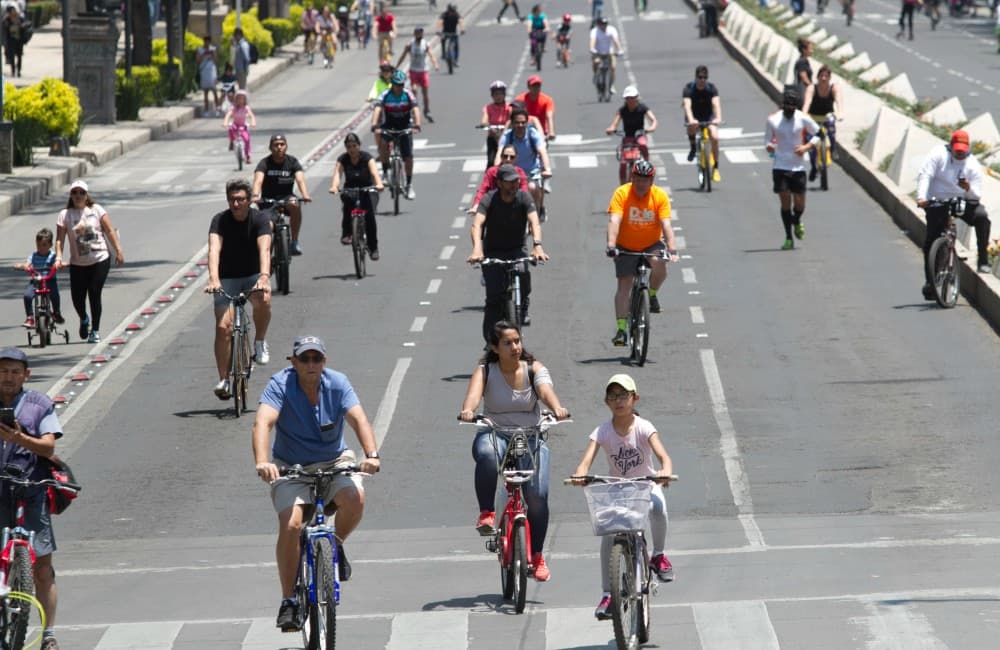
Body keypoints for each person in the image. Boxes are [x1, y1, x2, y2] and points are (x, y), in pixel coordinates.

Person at [252, 335, 381, 631]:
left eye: (317, 359)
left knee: (355, 497)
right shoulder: (280, 385)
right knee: (293, 523)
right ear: (293, 362)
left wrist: (371, 455)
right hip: (291, 466)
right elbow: (263, 422)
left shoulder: (337, 383)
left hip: (334, 460)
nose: (311, 365)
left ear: (324, 361)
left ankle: (334, 545)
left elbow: (359, 419)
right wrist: (263, 462)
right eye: (305, 359)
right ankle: (289, 601)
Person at [458, 321, 570, 582]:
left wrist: (557, 408)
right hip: (495, 433)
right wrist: (469, 411)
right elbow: (473, 396)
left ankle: (538, 556)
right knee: (485, 455)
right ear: (494, 348)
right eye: (508, 343)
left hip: (531, 436)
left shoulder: (534, 368)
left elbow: (545, 390)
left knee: (537, 496)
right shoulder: (486, 371)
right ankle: (487, 513)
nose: (515, 347)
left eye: (517, 341)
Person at [570, 373, 675, 620]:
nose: (618, 401)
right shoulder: (602, 431)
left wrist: (665, 472)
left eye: (623, 395)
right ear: (606, 402)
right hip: (618, 489)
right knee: (608, 532)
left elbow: (664, 457)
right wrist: (579, 474)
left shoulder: (644, 427)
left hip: (646, 484)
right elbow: (585, 462)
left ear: (635, 398)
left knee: (658, 508)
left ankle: (658, 555)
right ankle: (608, 594)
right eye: (612, 396)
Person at [0, 347, 67, 650]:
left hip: (31, 489)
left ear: (26, 375)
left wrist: (19, 439)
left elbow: (49, 448)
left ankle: (49, 634)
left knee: (42, 567)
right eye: (3, 371)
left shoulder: (40, 404)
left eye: (15, 371)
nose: (8, 377)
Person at [205, 179, 272, 398]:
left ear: (249, 200)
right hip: (227, 278)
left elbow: (265, 249)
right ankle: (224, 379)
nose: (236, 204)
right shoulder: (220, 220)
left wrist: (264, 277)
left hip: (253, 275)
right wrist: (214, 278)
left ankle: (260, 342)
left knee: (263, 298)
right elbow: (214, 250)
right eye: (232, 200)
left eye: (241, 199)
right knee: (223, 327)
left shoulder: (260, 219)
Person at [467, 164, 548, 334]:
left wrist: (537, 245)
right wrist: (477, 249)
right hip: (493, 252)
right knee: (494, 299)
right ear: (500, 183)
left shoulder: (524, 197)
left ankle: (523, 303)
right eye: (510, 182)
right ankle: (490, 342)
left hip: (517, 248)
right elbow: (477, 225)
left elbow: (534, 222)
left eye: (516, 181)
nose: (514, 185)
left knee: (524, 275)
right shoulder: (489, 199)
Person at [606, 160, 679, 345]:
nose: (641, 184)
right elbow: (614, 220)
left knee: (660, 263)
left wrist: (672, 249)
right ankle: (621, 330)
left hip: (651, 244)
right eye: (638, 179)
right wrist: (611, 245)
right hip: (625, 246)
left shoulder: (659, 196)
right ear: (632, 177)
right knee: (624, 285)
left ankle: (652, 294)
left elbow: (666, 225)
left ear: (652, 180)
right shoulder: (622, 193)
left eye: (645, 180)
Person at [917, 129, 994, 296]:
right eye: (957, 151)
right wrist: (921, 197)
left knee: (982, 218)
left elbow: (976, 196)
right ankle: (930, 282)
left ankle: (983, 260)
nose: (960, 154)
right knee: (931, 240)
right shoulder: (937, 154)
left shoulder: (972, 164)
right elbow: (925, 175)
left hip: (962, 200)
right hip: (938, 199)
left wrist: (967, 188)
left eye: (963, 152)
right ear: (950, 146)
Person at [54, 180, 125, 344]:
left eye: (81, 193)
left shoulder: (96, 210)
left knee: (94, 292)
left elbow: (109, 230)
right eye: (75, 193)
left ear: (87, 196)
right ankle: (84, 318)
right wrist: (58, 257)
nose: (78, 196)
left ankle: (95, 330)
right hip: (78, 263)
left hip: (99, 259)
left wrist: (119, 250)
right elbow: (59, 240)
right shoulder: (65, 215)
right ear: (71, 195)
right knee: (77, 298)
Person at [764, 87, 820, 250]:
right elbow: (767, 140)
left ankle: (797, 221)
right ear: (782, 104)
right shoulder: (773, 120)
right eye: (787, 105)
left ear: (796, 106)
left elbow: (819, 133)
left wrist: (807, 146)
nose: (789, 108)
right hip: (780, 166)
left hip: (798, 167)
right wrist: (769, 147)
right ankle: (788, 237)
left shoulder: (802, 118)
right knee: (785, 201)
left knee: (800, 204)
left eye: (792, 106)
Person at [252, 134, 313, 255]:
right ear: (270, 147)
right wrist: (255, 195)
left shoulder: (292, 162)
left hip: (287, 197)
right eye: (276, 145)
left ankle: (294, 242)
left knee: (295, 204)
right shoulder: (264, 163)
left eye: (282, 144)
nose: (279, 147)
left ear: (286, 146)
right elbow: (258, 180)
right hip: (268, 201)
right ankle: (266, 252)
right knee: (267, 225)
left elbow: (300, 179)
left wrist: (305, 194)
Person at [329, 133, 385, 258]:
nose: (352, 149)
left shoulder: (367, 158)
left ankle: (373, 247)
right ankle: (347, 234)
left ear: (359, 146)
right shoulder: (343, 159)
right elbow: (337, 174)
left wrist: (379, 184)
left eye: (354, 146)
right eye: (349, 147)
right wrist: (334, 186)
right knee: (347, 207)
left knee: (370, 216)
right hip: (351, 190)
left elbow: (375, 173)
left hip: (368, 189)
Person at [372, 70, 423, 200]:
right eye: (396, 84)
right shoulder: (385, 95)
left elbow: (416, 109)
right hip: (389, 126)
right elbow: (377, 109)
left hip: (404, 127)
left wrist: (417, 124)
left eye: (401, 85)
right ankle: (384, 173)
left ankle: (409, 185)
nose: (398, 87)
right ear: (392, 84)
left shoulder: (408, 94)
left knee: (408, 157)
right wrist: (374, 125)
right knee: (383, 145)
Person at [495, 107, 553, 221]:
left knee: (531, 187)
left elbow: (542, 152)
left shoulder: (532, 134)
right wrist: (496, 167)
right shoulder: (508, 136)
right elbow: (499, 152)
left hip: (532, 171)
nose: (520, 125)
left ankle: (538, 209)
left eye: (523, 122)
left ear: (527, 122)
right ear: (512, 123)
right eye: (517, 123)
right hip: (513, 172)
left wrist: (547, 169)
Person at [15, 228, 63, 329]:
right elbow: (27, 264)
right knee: (27, 295)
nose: (41, 248)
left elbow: (59, 263)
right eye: (38, 245)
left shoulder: (53, 256)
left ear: (50, 245)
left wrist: (59, 265)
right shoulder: (33, 256)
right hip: (36, 281)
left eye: (44, 245)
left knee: (54, 295)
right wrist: (23, 266)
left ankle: (56, 313)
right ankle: (30, 317)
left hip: (49, 280)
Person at [802, 64, 843, 182]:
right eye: (821, 76)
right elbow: (807, 103)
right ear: (817, 77)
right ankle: (814, 167)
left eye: (826, 76)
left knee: (831, 131)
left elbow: (839, 101)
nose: (823, 78)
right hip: (813, 117)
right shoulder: (812, 88)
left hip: (827, 116)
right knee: (811, 143)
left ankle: (833, 149)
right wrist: (804, 115)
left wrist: (840, 113)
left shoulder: (834, 87)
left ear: (830, 78)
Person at [682, 65, 722, 182]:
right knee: (691, 128)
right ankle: (693, 148)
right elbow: (687, 106)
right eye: (700, 77)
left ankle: (716, 167)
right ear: (696, 77)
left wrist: (718, 118)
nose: (702, 80)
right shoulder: (689, 88)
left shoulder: (711, 88)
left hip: (708, 116)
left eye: (705, 77)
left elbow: (716, 104)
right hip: (694, 116)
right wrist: (691, 120)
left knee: (714, 137)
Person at [605, 85, 658, 171]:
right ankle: (623, 183)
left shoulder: (642, 108)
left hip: (639, 135)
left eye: (632, 97)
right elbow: (614, 124)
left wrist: (652, 127)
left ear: (636, 98)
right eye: (628, 98)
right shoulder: (622, 110)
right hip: (627, 137)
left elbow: (653, 120)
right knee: (623, 164)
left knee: (642, 144)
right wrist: (611, 129)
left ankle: (647, 161)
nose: (630, 100)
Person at [468, 145, 529, 214]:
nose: (508, 159)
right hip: (494, 209)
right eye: (505, 156)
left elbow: (524, 192)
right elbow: (482, 190)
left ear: (516, 159)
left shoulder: (520, 173)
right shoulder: (491, 172)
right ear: (501, 157)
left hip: (513, 208)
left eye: (512, 157)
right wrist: (476, 205)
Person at [396, 26, 439, 122]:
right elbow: (403, 56)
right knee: (414, 90)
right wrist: (397, 66)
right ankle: (414, 110)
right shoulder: (410, 44)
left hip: (423, 70)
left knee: (425, 93)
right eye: (417, 33)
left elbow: (431, 54)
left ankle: (427, 110)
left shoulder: (425, 44)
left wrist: (435, 64)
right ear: (415, 34)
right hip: (413, 71)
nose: (419, 34)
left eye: (420, 33)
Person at [481, 80, 513, 169]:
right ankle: (489, 180)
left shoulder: (509, 107)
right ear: (492, 95)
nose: (498, 96)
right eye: (496, 94)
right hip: (493, 136)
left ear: (504, 94)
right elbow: (484, 120)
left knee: (510, 158)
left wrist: (508, 126)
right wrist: (487, 126)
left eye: (500, 94)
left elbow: (512, 118)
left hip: (507, 136)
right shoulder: (488, 108)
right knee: (491, 161)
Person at [589, 16, 623, 96]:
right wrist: (592, 49)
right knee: (596, 62)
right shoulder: (594, 31)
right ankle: (595, 75)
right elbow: (592, 41)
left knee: (613, 68)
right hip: (598, 52)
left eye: (605, 24)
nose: (603, 26)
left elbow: (616, 40)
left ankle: (611, 85)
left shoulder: (612, 30)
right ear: (598, 24)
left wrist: (620, 50)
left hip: (609, 53)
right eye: (602, 24)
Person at [515, 74, 556, 140]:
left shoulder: (547, 100)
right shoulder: (520, 99)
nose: (536, 88)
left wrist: (551, 131)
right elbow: (514, 115)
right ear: (528, 86)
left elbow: (549, 116)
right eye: (534, 86)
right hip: (523, 131)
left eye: (538, 86)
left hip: (541, 133)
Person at [223, 89, 256, 162]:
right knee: (230, 129)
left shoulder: (246, 108)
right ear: (236, 99)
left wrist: (253, 122)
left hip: (243, 126)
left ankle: (248, 156)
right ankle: (231, 141)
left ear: (245, 100)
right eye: (238, 98)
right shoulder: (233, 108)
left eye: (242, 99)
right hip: (235, 125)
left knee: (247, 139)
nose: (240, 101)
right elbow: (228, 115)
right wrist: (225, 122)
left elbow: (251, 115)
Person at [196, 35, 220, 117]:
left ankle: (217, 109)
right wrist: (203, 54)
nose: (206, 43)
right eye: (205, 41)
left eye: (208, 42)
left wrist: (212, 54)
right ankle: (206, 111)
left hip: (212, 71)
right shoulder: (200, 50)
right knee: (205, 93)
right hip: (204, 71)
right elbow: (198, 61)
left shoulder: (213, 49)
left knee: (214, 91)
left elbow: (216, 61)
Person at [1, 4, 25, 77]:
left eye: (13, 10)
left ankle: (19, 71)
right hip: (11, 41)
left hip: (19, 40)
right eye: (11, 11)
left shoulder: (20, 18)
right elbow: (4, 30)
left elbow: (26, 25)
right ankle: (13, 70)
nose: (13, 12)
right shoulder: (6, 20)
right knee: (12, 57)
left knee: (19, 56)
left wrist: (22, 26)